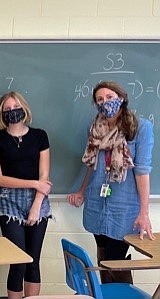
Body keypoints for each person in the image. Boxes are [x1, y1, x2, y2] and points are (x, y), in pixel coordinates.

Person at [67, 81, 155, 284]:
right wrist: (81, 191)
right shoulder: (96, 127)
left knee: (116, 259)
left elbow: (142, 172)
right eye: (99, 99)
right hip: (97, 202)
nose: (104, 102)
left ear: (121, 99)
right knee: (103, 257)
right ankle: (106, 293)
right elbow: (92, 164)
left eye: (109, 97)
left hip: (123, 207)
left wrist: (144, 213)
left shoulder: (140, 127)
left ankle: (120, 293)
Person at [0, 91, 52, 299]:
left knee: (33, 261)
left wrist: (36, 204)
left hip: (38, 201)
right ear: (1, 114)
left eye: (15, 107)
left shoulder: (40, 136)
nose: (12, 112)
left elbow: (45, 176)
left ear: (24, 108)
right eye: (7, 109)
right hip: (9, 201)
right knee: (18, 261)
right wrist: (34, 183)